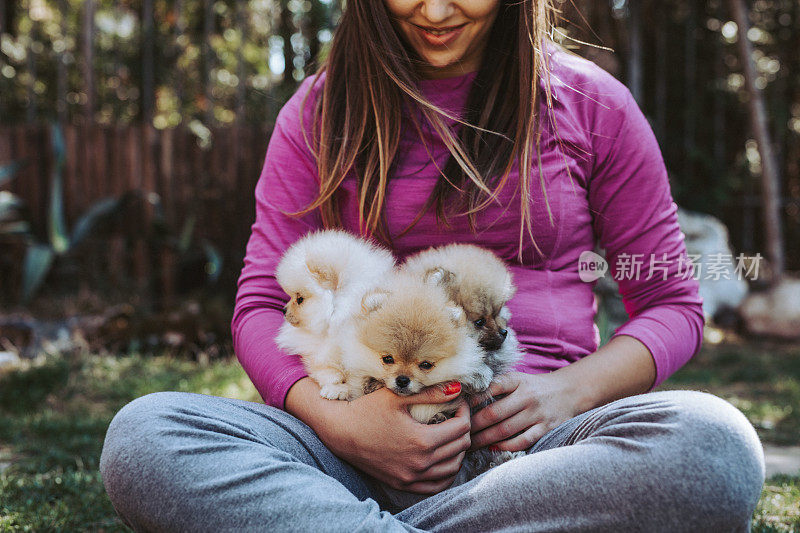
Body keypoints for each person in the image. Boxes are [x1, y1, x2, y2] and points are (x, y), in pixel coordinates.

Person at [100, 1, 766, 531]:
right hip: (350, 447)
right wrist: (342, 425)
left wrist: (566, 392)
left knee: (713, 446)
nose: (437, 10)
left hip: (541, 459)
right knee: (146, 437)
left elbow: (674, 303)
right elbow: (258, 306)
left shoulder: (592, 106)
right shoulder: (317, 112)